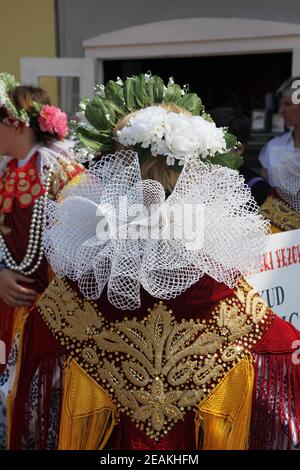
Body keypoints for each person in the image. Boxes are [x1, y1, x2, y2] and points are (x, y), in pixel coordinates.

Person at [8, 74, 300, 450]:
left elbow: (36, 405)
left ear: (117, 172)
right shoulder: (225, 291)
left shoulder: (68, 299)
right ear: (197, 177)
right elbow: (281, 359)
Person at [0, 73, 84, 449]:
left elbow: (85, 247)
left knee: (47, 408)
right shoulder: (6, 171)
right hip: (9, 310)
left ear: (15, 124)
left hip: (53, 317)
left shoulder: (62, 171)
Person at [209, 106, 272, 206]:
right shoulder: (189, 180)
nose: (209, 150)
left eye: (219, 144)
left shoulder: (257, 189)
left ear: (239, 148)